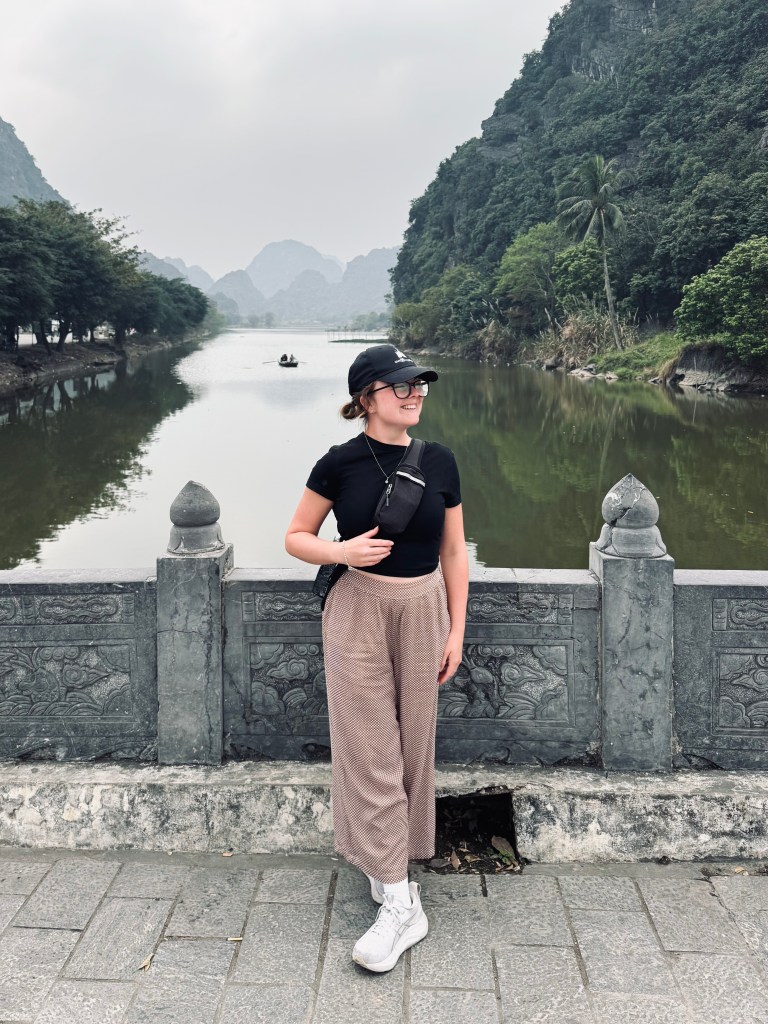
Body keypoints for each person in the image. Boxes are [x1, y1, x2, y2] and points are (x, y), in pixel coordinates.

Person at [285, 343, 468, 973]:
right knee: (370, 747)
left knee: (414, 743)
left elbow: (453, 553)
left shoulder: (439, 461)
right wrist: (341, 555)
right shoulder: (337, 464)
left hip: (424, 611)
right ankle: (399, 900)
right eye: (399, 386)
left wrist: (456, 630)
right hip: (357, 611)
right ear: (366, 396)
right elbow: (296, 537)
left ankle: (389, 863)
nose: (414, 394)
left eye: (419, 385)